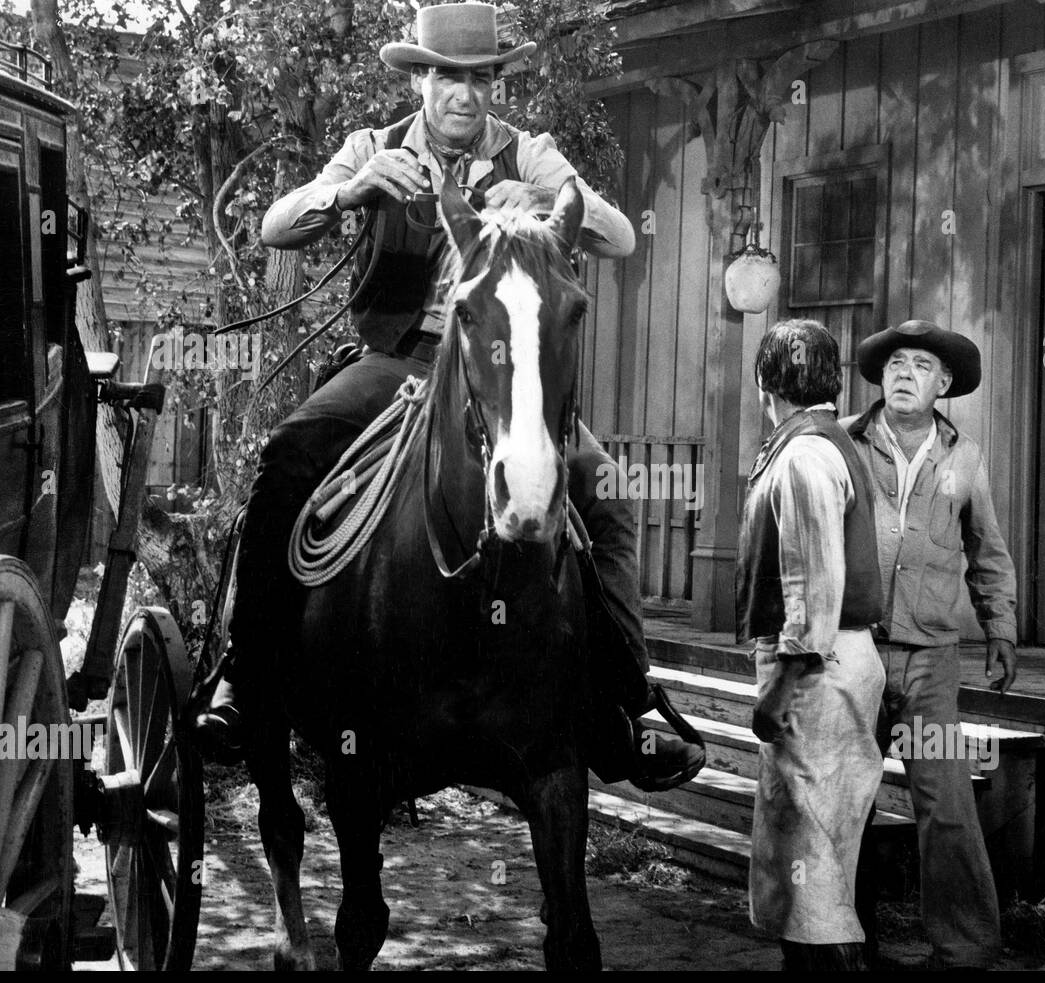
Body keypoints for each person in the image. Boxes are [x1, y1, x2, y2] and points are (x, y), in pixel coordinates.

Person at [193, 2, 704, 792]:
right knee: (289, 455)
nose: (464, 95)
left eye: (480, 79)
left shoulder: (528, 151)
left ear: (495, 83)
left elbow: (619, 236)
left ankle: (623, 704)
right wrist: (351, 192)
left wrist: (542, 202)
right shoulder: (374, 147)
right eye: (447, 78)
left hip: (498, 374)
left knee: (603, 486)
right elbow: (274, 226)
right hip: (399, 361)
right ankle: (246, 670)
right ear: (420, 78)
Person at [841, 319, 1017, 970]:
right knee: (842, 797)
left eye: (919, 366)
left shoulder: (963, 456)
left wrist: (1000, 628)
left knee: (944, 801)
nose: (903, 374)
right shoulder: (846, 444)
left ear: (943, 384)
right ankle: (844, 940)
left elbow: (987, 550)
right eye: (893, 365)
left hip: (930, 660)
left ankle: (965, 949)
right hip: (851, 649)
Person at [736, 319, 886, 972]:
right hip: (824, 661)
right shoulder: (818, 442)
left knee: (815, 873)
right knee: (810, 871)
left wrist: (783, 687)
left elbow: (814, 583)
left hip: (817, 670)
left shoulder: (804, 455)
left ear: (766, 381)